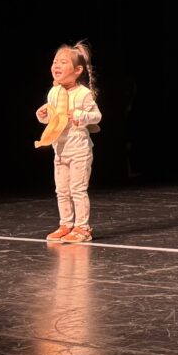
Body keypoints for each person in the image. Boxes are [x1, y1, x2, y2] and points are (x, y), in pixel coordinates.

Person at [36, 42, 102, 243]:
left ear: (77, 70)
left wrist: (82, 115)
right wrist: (43, 115)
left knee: (77, 189)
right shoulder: (54, 92)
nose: (56, 65)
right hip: (60, 149)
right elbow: (55, 119)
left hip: (79, 150)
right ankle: (66, 224)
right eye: (55, 61)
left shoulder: (83, 94)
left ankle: (82, 227)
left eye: (63, 62)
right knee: (62, 190)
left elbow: (97, 116)